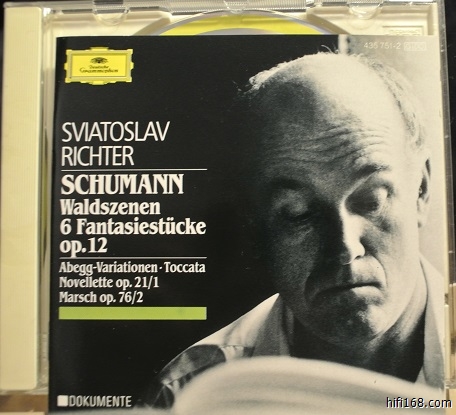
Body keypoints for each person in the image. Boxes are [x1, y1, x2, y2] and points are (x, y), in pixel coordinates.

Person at [146, 52, 445, 408]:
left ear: (421, 189)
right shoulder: (188, 396)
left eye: (371, 200)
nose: (345, 248)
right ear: (254, 226)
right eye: (297, 213)